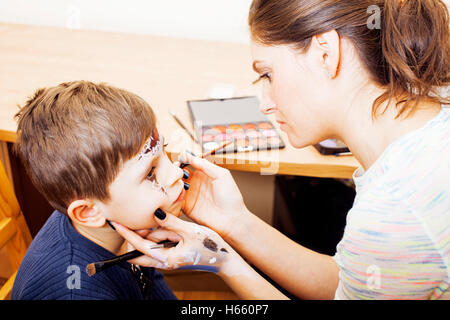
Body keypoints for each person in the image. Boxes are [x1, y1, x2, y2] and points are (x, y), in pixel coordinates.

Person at [113, 0, 450, 300]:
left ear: (325, 54)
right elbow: (354, 284)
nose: (265, 105)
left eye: (268, 75)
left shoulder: (396, 209)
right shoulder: (427, 135)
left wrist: (223, 263)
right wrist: (235, 224)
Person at [11, 80, 187, 300]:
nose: (176, 173)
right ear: (88, 212)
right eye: (150, 172)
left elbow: (148, 287)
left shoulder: (114, 221)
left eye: (165, 151)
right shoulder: (75, 293)